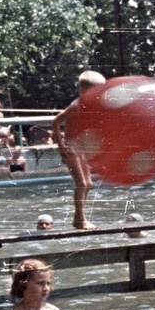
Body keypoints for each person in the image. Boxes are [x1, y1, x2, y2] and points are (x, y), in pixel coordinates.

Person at [49, 70, 106, 229]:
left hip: (82, 149)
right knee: (82, 183)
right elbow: (56, 122)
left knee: (88, 183)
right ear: (83, 92)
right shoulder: (76, 105)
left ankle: (79, 218)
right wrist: (61, 147)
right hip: (71, 148)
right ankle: (80, 220)